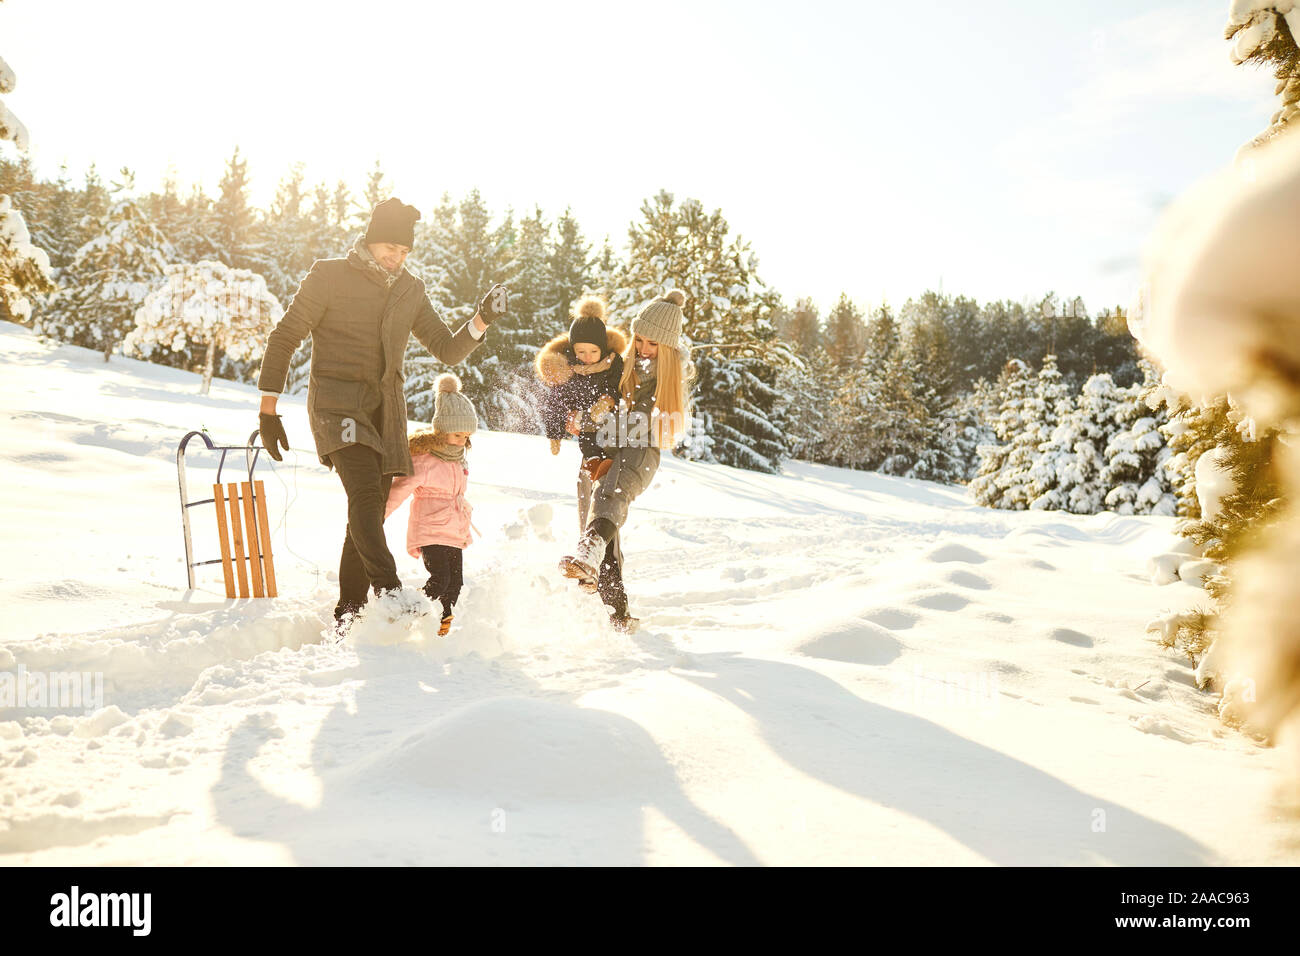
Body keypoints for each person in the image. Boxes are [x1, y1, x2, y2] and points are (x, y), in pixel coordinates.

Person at [255, 197, 507, 631]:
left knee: (367, 515)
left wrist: (481, 320)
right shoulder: (329, 275)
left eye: (405, 251)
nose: (397, 257)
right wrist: (268, 409)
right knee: (366, 499)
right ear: (370, 241)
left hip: (386, 414)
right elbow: (285, 336)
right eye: (390, 247)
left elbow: (445, 348)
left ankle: (348, 613)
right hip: (338, 406)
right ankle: (388, 591)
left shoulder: (410, 289)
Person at [559, 290, 693, 632]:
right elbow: (592, 387)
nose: (644, 349)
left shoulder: (670, 375)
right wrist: (584, 417)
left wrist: (603, 418)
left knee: (609, 497)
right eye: (640, 340)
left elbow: (644, 423)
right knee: (597, 516)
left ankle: (590, 551)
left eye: (654, 344)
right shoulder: (622, 364)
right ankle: (618, 613)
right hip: (605, 448)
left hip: (640, 448)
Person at [384, 374, 477, 637]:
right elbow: (401, 489)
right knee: (440, 579)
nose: (462, 440)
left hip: (454, 531)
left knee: (455, 583)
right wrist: (377, 516)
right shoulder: (425, 459)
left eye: (466, 435)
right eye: (457, 434)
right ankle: (406, 615)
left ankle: (442, 622)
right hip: (430, 528)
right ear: (442, 430)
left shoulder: (458, 459)